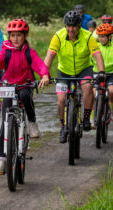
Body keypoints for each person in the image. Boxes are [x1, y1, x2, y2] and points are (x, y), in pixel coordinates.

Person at [0, 19, 50, 173]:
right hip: (8, 86)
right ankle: (2, 158)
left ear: (24, 36)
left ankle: (32, 122)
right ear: (9, 37)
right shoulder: (5, 51)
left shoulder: (29, 52)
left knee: (26, 96)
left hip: (24, 84)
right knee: (5, 121)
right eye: (13, 35)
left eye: (19, 35)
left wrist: (44, 75)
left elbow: (39, 64)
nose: (16, 39)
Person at [43, 11, 105, 144]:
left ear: (79, 26)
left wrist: (101, 71)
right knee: (61, 100)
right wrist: (44, 74)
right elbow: (50, 56)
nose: (71, 29)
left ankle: (87, 117)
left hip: (84, 69)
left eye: (74, 26)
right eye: (68, 26)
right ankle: (63, 127)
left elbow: (97, 55)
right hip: (64, 72)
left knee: (88, 87)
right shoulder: (58, 36)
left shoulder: (88, 36)